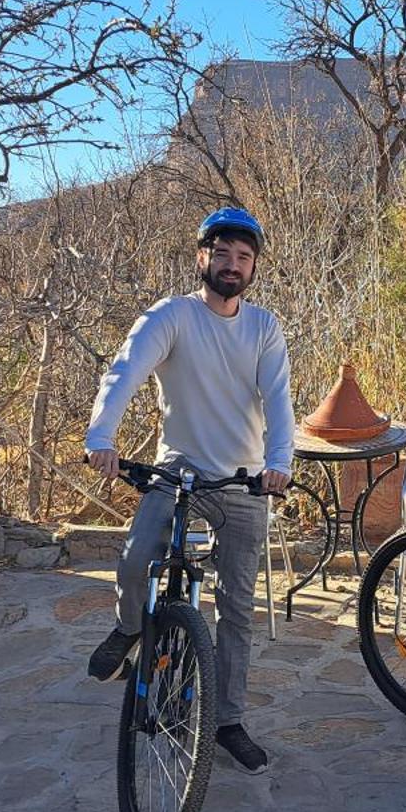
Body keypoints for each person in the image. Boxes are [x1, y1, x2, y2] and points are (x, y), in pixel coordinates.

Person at [83, 206, 295, 775]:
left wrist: (279, 461)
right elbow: (125, 371)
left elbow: (277, 398)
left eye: (243, 257)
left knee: (237, 610)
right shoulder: (172, 316)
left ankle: (227, 721)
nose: (232, 265)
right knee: (134, 565)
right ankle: (131, 626)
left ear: (253, 268)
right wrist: (101, 436)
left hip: (243, 480)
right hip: (178, 472)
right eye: (221, 253)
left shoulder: (262, 327)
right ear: (202, 258)